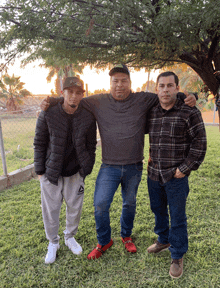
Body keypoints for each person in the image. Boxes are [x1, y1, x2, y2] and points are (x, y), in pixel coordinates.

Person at [40, 64, 197, 260]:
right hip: (109, 167)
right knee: (100, 204)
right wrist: (53, 100)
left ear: (130, 83)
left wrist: (187, 96)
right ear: (110, 83)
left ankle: (126, 236)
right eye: (115, 81)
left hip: (134, 166)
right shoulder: (98, 101)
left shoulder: (143, 99)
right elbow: (73, 99)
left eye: (124, 81)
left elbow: (167, 94)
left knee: (129, 204)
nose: (119, 85)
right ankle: (104, 240)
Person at [146, 71, 207, 278]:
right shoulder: (152, 110)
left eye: (170, 86)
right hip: (154, 173)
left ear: (177, 88)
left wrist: (185, 168)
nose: (165, 90)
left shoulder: (189, 112)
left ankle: (177, 255)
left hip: (176, 176)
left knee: (178, 216)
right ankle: (163, 239)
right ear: (156, 89)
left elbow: (200, 143)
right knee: (157, 209)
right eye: (161, 86)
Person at [34, 77, 97, 264]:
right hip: (51, 172)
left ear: (82, 95)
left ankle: (69, 237)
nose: (74, 97)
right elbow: (39, 143)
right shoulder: (48, 113)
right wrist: (40, 171)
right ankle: (53, 242)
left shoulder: (87, 116)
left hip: (75, 172)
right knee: (51, 210)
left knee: (74, 208)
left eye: (78, 93)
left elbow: (91, 144)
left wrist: (87, 166)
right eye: (70, 92)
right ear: (62, 93)